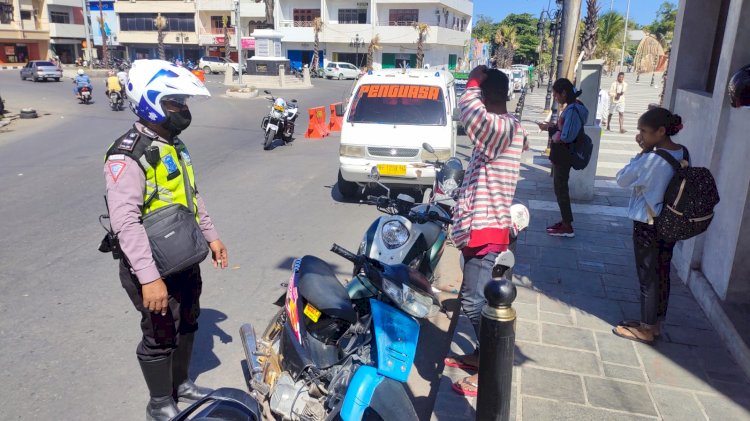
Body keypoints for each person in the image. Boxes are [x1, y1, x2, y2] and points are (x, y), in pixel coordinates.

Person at [103, 59, 229, 421]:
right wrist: (149, 278)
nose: (183, 111)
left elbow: (192, 194)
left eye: (183, 103)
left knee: (188, 320)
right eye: (175, 103)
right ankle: (159, 403)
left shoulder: (176, 145)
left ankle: (182, 384)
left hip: (184, 255)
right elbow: (125, 222)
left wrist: (212, 236)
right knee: (160, 334)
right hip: (152, 266)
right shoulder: (128, 155)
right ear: (149, 102)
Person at [444, 65, 528, 397]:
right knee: (475, 299)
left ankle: (494, 366)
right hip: (480, 226)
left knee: (475, 303)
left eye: (480, 93)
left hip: (488, 228)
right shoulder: (499, 130)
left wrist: (473, 81)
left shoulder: (502, 128)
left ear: (488, 95)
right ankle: (482, 356)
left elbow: (470, 113)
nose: (475, 97)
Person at [612, 107, 685, 344]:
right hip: (669, 222)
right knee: (662, 273)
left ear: (661, 131)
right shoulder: (682, 152)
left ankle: (645, 329)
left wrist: (643, 152)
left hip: (648, 223)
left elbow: (622, 179)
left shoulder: (651, 159)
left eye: (644, 131)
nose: (640, 136)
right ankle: (655, 323)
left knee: (648, 277)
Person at [537, 78, 589, 237]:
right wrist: (551, 127)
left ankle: (567, 225)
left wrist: (552, 131)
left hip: (564, 155)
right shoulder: (574, 107)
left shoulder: (573, 110)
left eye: (556, 94)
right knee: (560, 188)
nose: (555, 98)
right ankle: (565, 221)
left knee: (561, 189)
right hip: (563, 154)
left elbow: (566, 136)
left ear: (564, 93)